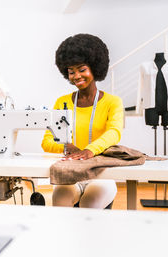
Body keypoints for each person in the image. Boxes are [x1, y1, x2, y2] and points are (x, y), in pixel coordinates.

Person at [41, 34, 124, 209]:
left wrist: (89, 151)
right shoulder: (62, 102)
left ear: (95, 68)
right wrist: (65, 147)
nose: (76, 76)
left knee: (90, 202)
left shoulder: (112, 102)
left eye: (82, 69)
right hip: (72, 173)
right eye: (71, 72)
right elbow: (47, 141)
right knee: (60, 199)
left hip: (101, 172)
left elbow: (114, 133)